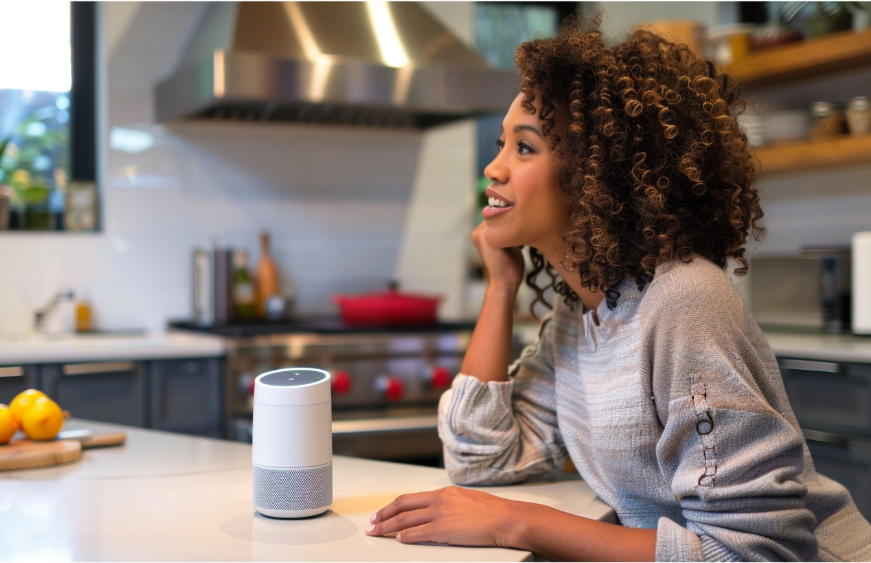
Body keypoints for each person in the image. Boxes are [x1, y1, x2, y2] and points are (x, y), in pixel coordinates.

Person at [364, 19, 871, 562]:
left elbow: (755, 555)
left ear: (593, 174)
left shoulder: (683, 300)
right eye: (501, 144)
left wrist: (516, 523)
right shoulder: (580, 310)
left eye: (525, 148)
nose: (494, 167)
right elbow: (480, 457)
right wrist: (500, 287)